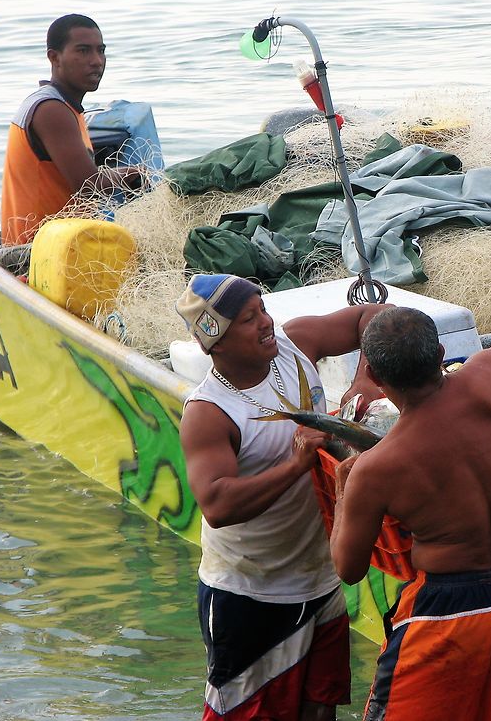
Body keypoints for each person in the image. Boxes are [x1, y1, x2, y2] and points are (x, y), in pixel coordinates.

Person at [176, 273, 389, 721]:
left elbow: (376, 314)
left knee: (321, 708)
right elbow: (217, 505)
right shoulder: (209, 413)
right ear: (215, 343)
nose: (266, 323)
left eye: (263, 310)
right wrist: (295, 466)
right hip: (251, 594)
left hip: (322, 580)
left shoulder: (297, 344)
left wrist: (367, 378)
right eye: (248, 319)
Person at [330, 307, 491, 721]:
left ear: (377, 380)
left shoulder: (375, 468)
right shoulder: (487, 375)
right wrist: (471, 370)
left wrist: (344, 490)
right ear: (440, 354)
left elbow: (348, 567)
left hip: (443, 613)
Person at [0, 14, 143, 246]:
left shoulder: (67, 107)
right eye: (83, 51)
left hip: (63, 244)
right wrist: (134, 174)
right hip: (36, 254)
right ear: (54, 57)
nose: (97, 60)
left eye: (101, 50)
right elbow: (87, 185)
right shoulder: (51, 110)